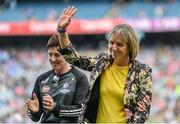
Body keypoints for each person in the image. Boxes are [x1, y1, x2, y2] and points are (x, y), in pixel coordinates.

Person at [57, 6, 153, 123]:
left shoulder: (142, 72)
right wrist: (62, 31)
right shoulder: (102, 61)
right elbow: (73, 58)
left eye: (120, 44)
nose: (114, 48)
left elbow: (142, 113)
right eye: (111, 43)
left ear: (130, 47)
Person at [25, 34, 89, 123]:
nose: (53, 59)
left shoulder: (80, 78)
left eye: (57, 55)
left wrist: (55, 107)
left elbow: (81, 110)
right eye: (50, 55)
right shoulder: (41, 79)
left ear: (67, 56)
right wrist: (34, 111)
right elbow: (35, 118)